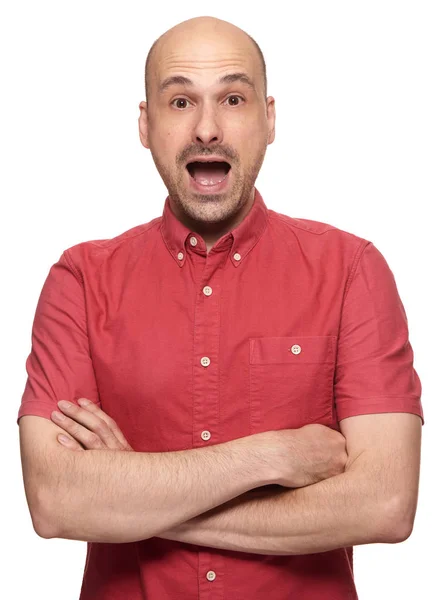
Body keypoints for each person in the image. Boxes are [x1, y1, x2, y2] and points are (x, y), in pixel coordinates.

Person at [17, 15, 424, 600]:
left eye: (233, 98)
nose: (207, 128)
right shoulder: (80, 280)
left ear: (269, 118)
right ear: (144, 124)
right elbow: (56, 502)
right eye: (180, 101)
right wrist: (270, 457)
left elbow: (385, 505)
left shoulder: (352, 271)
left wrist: (135, 497)